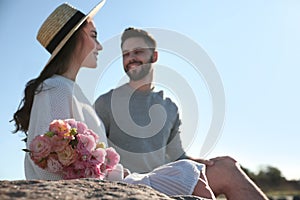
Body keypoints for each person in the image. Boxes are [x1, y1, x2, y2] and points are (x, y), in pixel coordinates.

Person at [11, 2, 216, 199]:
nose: (99, 46)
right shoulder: (54, 88)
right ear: (76, 40)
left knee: (192, 172)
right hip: (96, 188)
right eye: (93, 36)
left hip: (112, 182)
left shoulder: (75, 92)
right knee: (190, 176)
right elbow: (46, 166)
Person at [94, 27, 269, 199]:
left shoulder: (169, 106)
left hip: (165, 181)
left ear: (154, 56)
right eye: (126, 54)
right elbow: (95, 154)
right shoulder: (105, 102)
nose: (131, 58)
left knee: (227, 167)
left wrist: (198, 163)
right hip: (128, 184)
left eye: (138, 51)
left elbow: (176, 155)